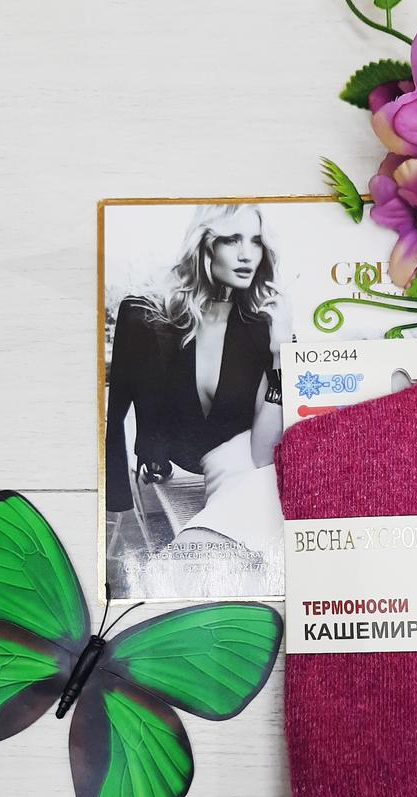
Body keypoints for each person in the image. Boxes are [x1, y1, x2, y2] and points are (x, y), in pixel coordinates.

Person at [105, 203, 291, 593]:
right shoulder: (143, 316)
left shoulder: (260, 329)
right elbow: (114, 413)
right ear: (205, 245)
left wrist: (280, 358)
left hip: (232, 486)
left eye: (256, 241)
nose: (247, 255)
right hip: (165, 480)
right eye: (232, 239)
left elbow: (263, 453)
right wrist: (118, 507)